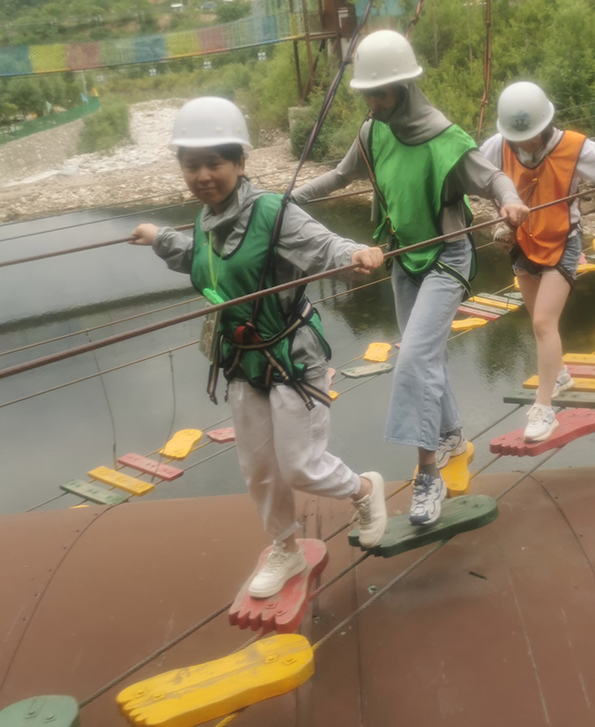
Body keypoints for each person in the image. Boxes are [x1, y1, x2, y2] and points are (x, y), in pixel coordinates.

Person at [130, 97, 389, 599]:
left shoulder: (273, 213)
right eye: (191, 165)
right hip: (242, 364)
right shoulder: (206, 221)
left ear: (240, 163)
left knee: (300, 464)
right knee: (260, 470)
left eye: (215, 163)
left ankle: (365, 489)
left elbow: (323, 244)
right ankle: (286, 549)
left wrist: (354, 253)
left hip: (292, 358)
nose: (203, 175)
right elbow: (203, 261)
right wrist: (160, 236)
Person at [291, 30, 529, 527]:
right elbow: (338, 178)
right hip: (405, 257)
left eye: (380, 93)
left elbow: (492, 178)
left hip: (446, 256)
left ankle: (427, 475)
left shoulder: (446, 139)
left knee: (414, 362)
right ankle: (453, 439)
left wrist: (508, 201)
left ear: (405, 88)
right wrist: (283, 204)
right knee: (429, 358)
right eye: (368, 94)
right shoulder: (370, 134)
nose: (373, 103)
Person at [479, 81, 595, 441]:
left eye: (531, 135)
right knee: (537, 320)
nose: (524, 143)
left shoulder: (573, 147)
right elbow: (469, 169)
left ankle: (544, 408)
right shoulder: (498, 145)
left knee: (543, 323)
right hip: (523, 241)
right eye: (518, 137)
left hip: (563, 239)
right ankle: (561, 374)